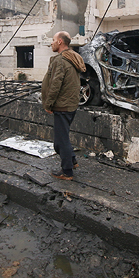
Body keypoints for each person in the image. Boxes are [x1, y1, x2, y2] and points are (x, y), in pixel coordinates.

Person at [41, 31, 86, 180]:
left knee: (60, 141)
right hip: (71, 104)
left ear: (60, 41)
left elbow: (55, 85)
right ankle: (72, 161)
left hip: (62, 105)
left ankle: (67, 171)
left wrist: (48, 104)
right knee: (64, 136)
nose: (51, 43)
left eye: (53, 40)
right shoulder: (73, 57)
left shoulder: (61, 60)